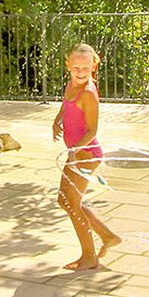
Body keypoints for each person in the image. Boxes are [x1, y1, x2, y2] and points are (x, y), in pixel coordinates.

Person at [51, 43, 120, 270]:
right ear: (67, 65)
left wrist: (74, 152)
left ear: (94, 66)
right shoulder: (71, 84)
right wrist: (57, 120)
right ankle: (107, 235)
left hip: (86, 154)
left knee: (70, 203)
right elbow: (66, 105)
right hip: (76, 153)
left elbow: (92, 131)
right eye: (75, 67)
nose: (80, 72)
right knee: (67, 200)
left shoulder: (89, 93)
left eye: (85, 68)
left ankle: (89, 256)